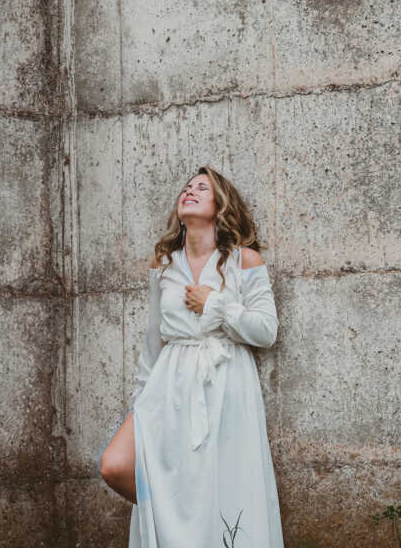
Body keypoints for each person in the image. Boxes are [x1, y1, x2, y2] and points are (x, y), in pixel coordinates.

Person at [99, 165, 285, 547]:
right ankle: (171, 529)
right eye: (187, 186)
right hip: (167, 385)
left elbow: (266, 330)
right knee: (115, 464)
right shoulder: (163, 265)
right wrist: (140, 403)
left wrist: (215, 305)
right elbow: (153, 342)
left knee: (221, 490)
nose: (191, 191)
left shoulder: (243, 260)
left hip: (226, 382)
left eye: (202, 187)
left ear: (220, 205)